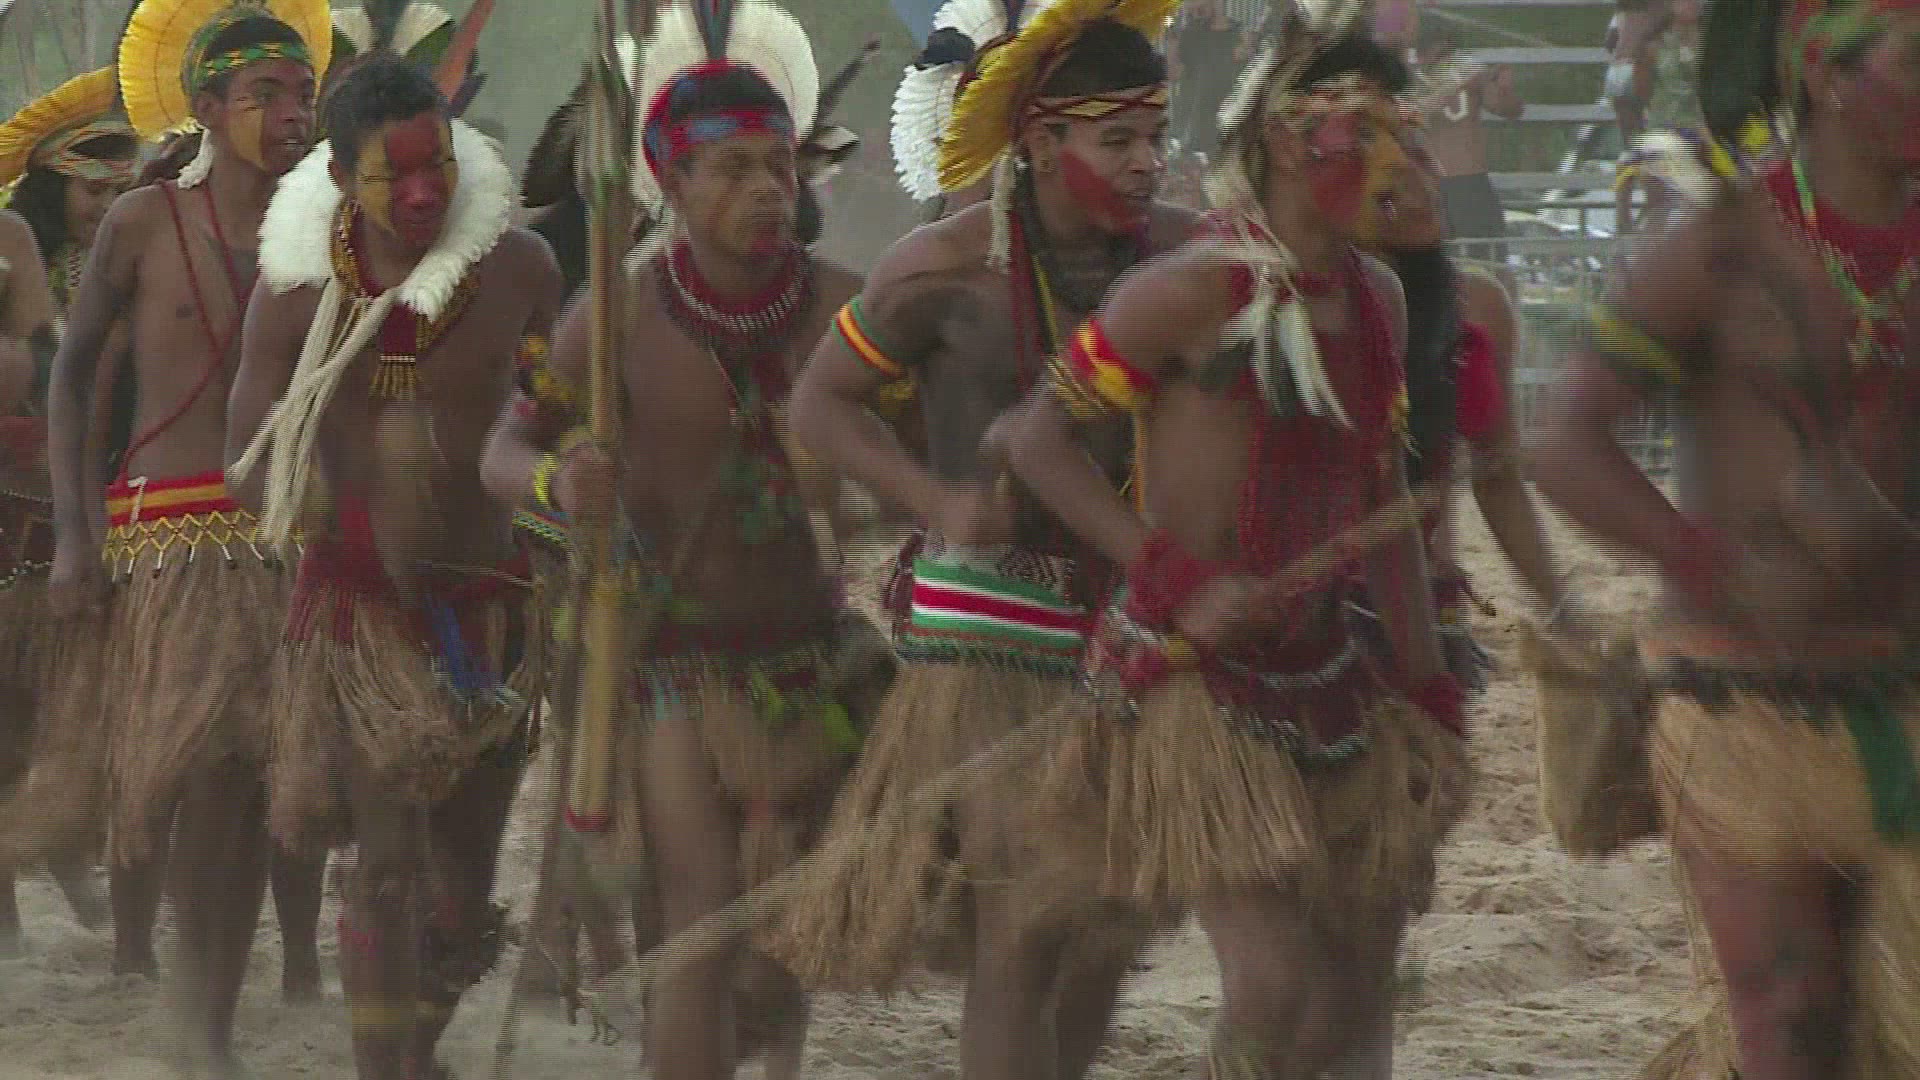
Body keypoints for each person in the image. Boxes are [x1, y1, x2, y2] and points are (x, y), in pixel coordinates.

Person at [994, 16, 1471, 1080]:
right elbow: (1035, 442)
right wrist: (1175, 580)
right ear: (1293, 142)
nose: (1402, 163)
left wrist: (1429, 697)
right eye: (1370, 134)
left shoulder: (1379, 300)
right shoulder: (1191, 289)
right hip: (1188, 684)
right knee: (1274, 977)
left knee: (1359, 974)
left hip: (1327, 678)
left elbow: (1386, 504)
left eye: (1404, 135)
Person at [772, 1, 1194, 1078]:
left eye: (1157, 136)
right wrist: (936, 501)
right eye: (1118, 139)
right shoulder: (943, 269)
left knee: (1107, 923)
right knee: (1024, 922)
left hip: (1143, 607)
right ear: (1042, 142)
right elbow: (819, 403)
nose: (1148, 163)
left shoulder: (1187, 259)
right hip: (989, 618)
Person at [480, 3, 885, 1077]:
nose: (768, 189)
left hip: (812, 662)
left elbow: (925, 463)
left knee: (784, 945)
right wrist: (563, 482)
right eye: (733, 169)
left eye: (780, 166)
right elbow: (502, 454)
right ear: (669, 181)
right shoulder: (614, 317)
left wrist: (865, 489)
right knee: (699, 920)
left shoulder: (846, 312)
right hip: (673, 668)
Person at [1530, 0, 1920, 1074]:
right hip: (1739, 699)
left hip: (1900, 686)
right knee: (1789, 1020)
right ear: (1826, 77)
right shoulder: (1722, 244)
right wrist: (1710, 558)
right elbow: (1563, 441)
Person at [224, 53, 557, 1078]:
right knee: (389, 870)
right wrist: (315, 503)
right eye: (392, 175)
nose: (421, 193)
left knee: (461, 891)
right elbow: (245, 458)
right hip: (362, 621)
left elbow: (563, 418)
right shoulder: (295, 292)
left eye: (436, 165)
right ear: (338, 174)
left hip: (493, 613)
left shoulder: (521, 271)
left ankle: (411, 1053)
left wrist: (574, 490)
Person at [34, 1, 333, 1064]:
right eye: (266, 94)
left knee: (280, 779)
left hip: (290, 541)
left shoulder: (329, 231)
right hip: (166, 545)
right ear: (207, 105)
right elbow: (74, 379)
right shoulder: (143, 221)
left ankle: (269, 980)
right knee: (188, 775)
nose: (293, 114)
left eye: (305, 95)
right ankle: (182, 998)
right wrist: (75, 536)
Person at [1354, 133, 1573, 691]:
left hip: (1429, 599)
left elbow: (1498, 478)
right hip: (1318, 601)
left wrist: (1562, 608)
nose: (1423, 186)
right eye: (1394, 174)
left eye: (1423, 163)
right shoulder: (1304, 299)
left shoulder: (1478, 302)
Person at [0, 66, 126, 954]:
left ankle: (67, 850)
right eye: (93, 190)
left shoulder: (24, 245)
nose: (105, 206)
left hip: (46, 505)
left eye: (118, 191)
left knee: (54, 699)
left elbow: (50, 368)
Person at [1414, 23, 1521, 268]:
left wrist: (1504, 88)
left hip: (1467, 182)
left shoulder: (1471, 73)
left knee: (1487, 259)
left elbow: (1510, 109)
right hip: (1435, 183)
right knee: (1442, 263)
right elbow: (1413, 114)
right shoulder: (1413, 80)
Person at [1169, 0, 1249, 160]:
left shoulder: (1239, 33)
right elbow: (1174, 73)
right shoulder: (1190, 33)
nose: (1196, 11)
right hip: (1197, 130)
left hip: (1228, 125)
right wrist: (1172, 41)